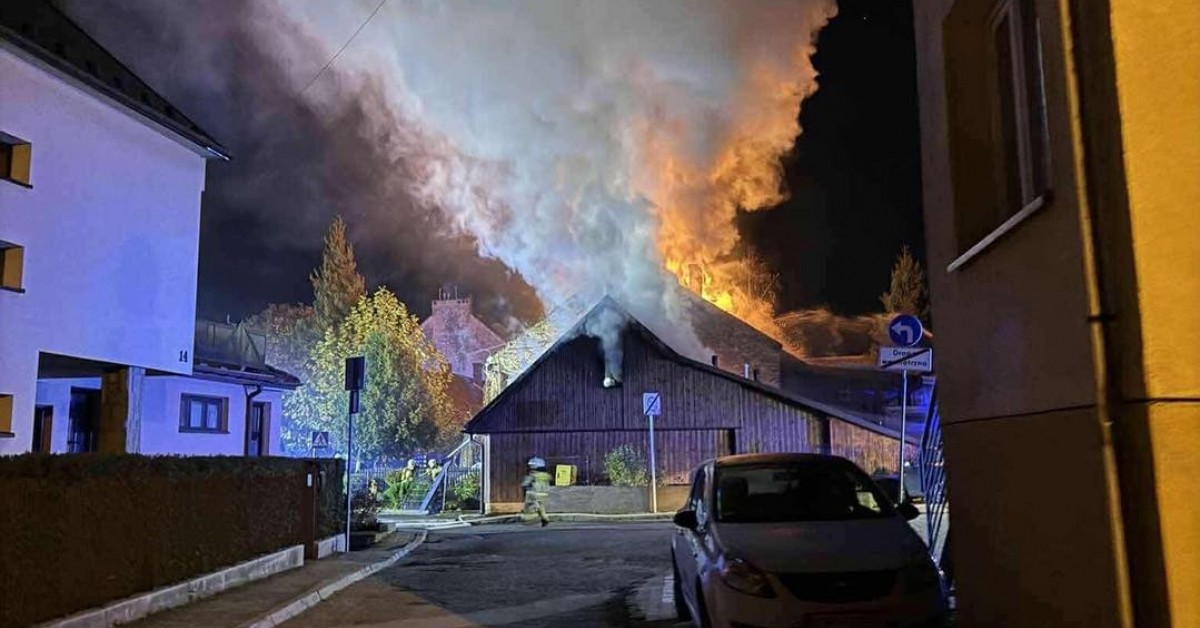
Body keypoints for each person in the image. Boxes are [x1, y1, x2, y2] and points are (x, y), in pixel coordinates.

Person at [521, 456, 552, 527]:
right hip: (544, 494)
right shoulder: (546, 475)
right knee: (542, 507)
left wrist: (525, 483)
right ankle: (545, 519)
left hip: (535, 493)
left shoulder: (533, 475)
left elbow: (525, 484)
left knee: (530, 503)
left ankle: (528, 517)